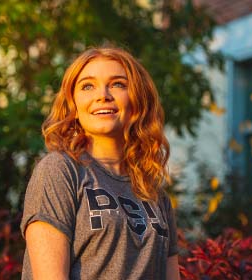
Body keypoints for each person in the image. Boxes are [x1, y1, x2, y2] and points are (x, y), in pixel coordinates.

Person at [20, 46, 180, 280]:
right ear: (74, 105)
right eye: (87, 86)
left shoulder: (154, 192)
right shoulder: (60, 171)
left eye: (118, 84)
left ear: (137, 100)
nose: (103, 95)